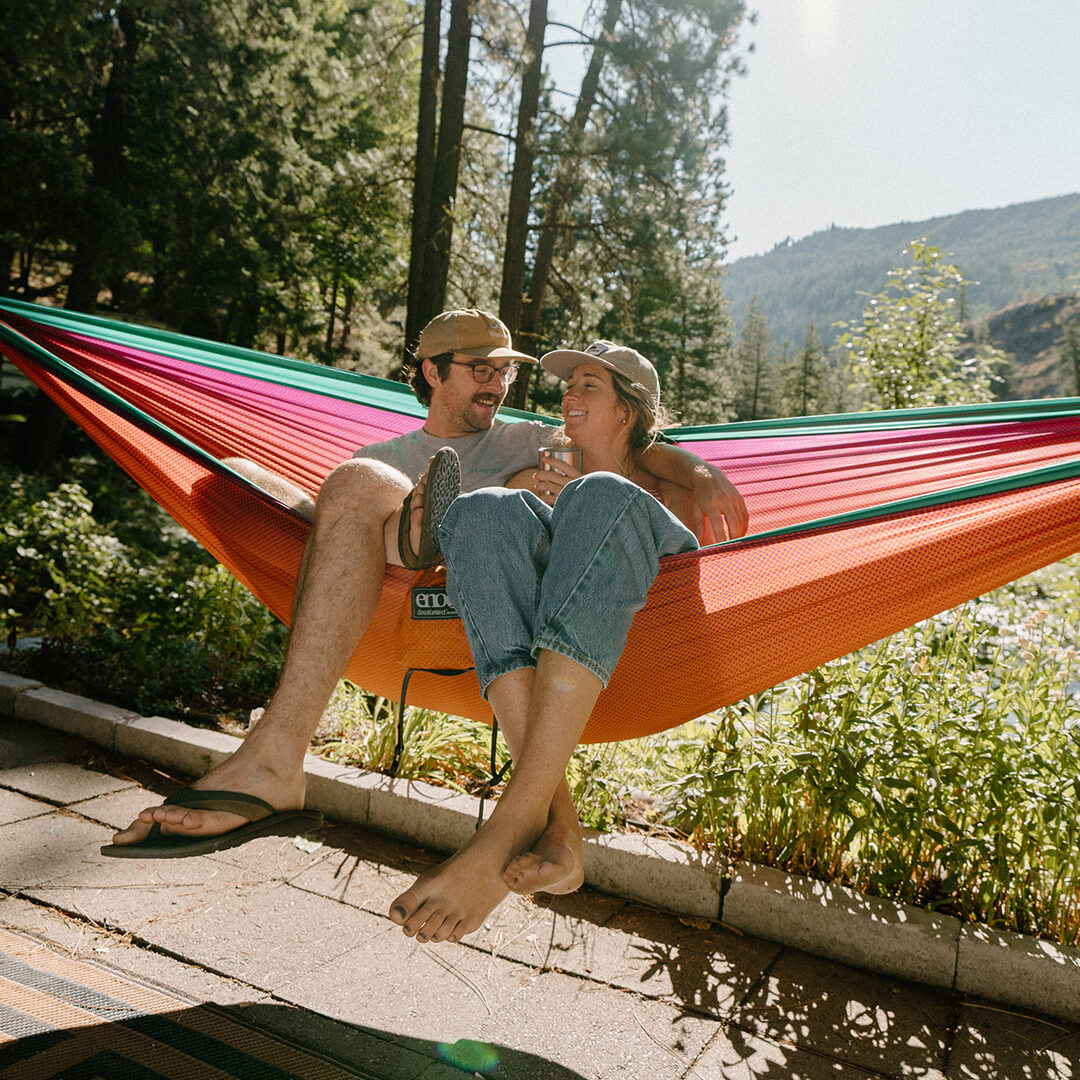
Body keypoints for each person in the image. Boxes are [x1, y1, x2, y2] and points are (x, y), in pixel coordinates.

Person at [105, 311, 747, 860]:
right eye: (480, 368)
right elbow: (320, 526)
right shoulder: (385, 456)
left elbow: (626, 448)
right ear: (433, 373)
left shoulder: (535, 439)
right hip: (387, 573)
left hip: (489, 579)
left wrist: (694, 464)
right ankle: (411, 532)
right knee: (309, 483)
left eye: (507, 371)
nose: (498, 384)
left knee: (456, 502)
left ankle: (426, 534)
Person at [387, 340, 740, 944]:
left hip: (649, 628)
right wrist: (551, 507)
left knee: (601, 496)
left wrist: (694, 473)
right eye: (567, 386)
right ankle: (561, 831)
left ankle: (512, 823)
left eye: (588, 386)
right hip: (550, 634)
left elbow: (700, 554)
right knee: (481, 511)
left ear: (628, 411)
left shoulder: (674, 487)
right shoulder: (545, 471)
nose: (568, 397)